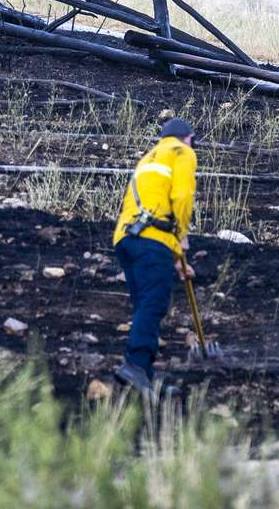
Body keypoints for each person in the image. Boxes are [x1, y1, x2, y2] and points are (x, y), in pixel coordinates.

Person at [112, 117, 197, 400]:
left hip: (126, 239)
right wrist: (182, 236)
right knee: (154, 302)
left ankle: (145, 373)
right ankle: (135, 364)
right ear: (187, 137)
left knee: (143, 303)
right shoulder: (181, 152)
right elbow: (182, 196)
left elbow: (152, 204)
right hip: (152, 240)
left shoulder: (148, 158)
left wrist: (174, 258)